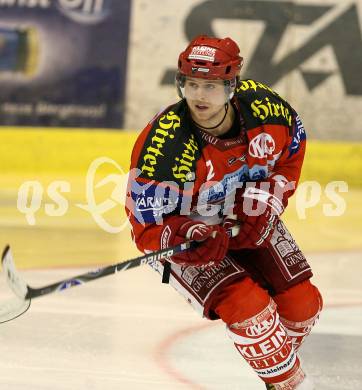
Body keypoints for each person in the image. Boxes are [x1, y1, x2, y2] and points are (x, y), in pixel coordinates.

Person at [126, 35, 323, 389]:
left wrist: (267, 202)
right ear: (180, 83)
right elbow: (145, 228)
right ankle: (291, 384)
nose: (200, 96)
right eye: (192, 84)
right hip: (190, 232)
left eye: (211, 86)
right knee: (250, 308)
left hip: (246, 211)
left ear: (232, 86)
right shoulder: (165, 146)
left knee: (303, 305)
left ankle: (273, 373)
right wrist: (186, 235)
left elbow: (292, 152)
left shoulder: (268, 110)